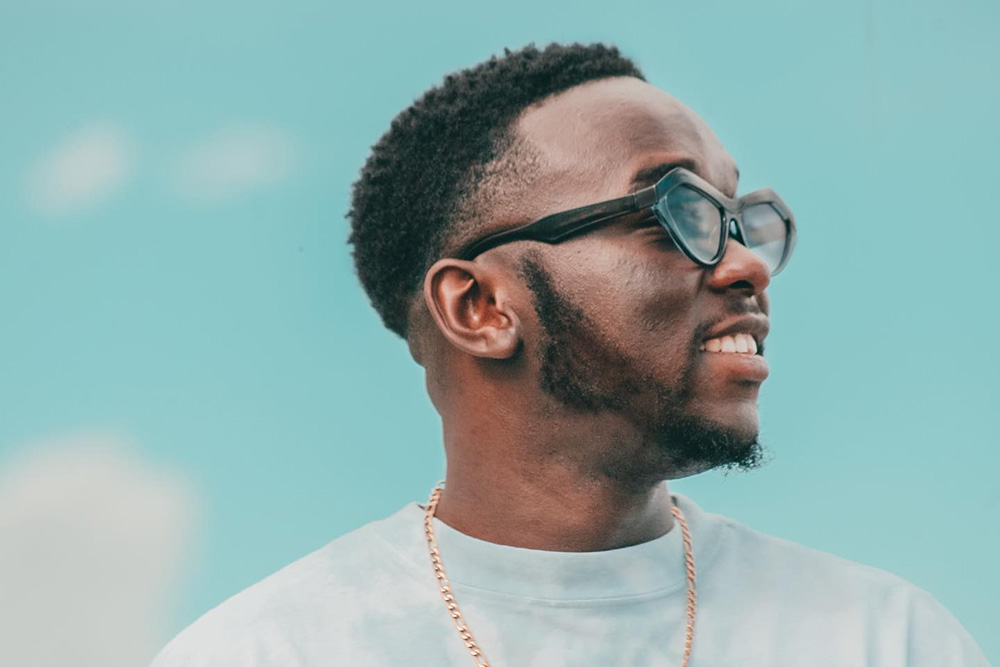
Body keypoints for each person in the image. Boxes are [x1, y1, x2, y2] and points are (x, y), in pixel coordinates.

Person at [152, 42, 988, 666]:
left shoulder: (886, 640)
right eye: (676, 214)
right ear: (479, 307)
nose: (745, 266)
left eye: (739, 219)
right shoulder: (268, 650)